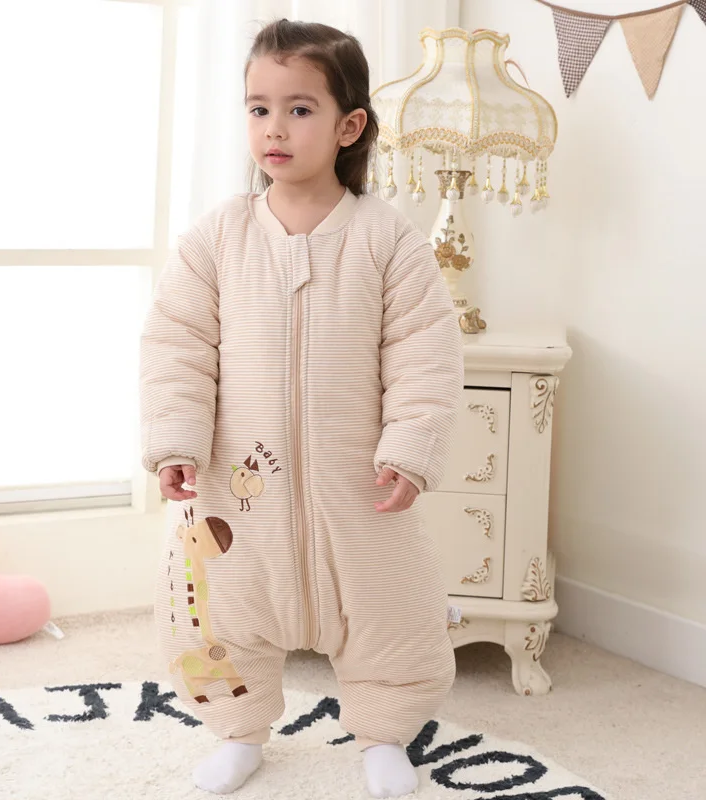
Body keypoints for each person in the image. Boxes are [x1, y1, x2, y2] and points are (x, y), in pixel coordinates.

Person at [139, 18, 463, 799]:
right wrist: (176, 441)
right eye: (258, 109)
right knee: (210, 615)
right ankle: (237, 731)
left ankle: (384, 734)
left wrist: (410, 447)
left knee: (393, 614)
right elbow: (178, 344)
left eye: (299, 109)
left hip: (359, 490)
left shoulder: (388, 240)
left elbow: (424, 353)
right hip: (238, 492)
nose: (274, 128)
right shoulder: (217, 239)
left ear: (349, 126)